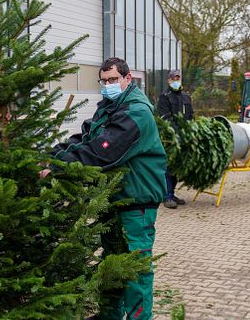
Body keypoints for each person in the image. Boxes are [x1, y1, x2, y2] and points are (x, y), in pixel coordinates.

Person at [46, 57, 167, 320]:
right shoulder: (109, 107)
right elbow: (86, 138)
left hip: (136, 202)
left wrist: (60, 166)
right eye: (104, 81)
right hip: (113, 199)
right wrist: (53, 155)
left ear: (127, 79)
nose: (109, 85)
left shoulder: (137, 112)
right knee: (111, 264)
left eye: (113, 80)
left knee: (135, 267)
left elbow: (104, 152)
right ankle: (109, 316)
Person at [156, 69, 193, 209]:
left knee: (177, 167)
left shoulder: (186, 97)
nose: (176, 81)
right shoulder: (164, 97)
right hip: (169, 139)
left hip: (184, 138)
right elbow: (165, 117)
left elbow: (190, 115)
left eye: (178, 78)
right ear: (168, 80)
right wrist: (176, 133)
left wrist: (190, 132)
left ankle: (172, 193)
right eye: (173, 78)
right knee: (168, 167)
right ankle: (167, 197)